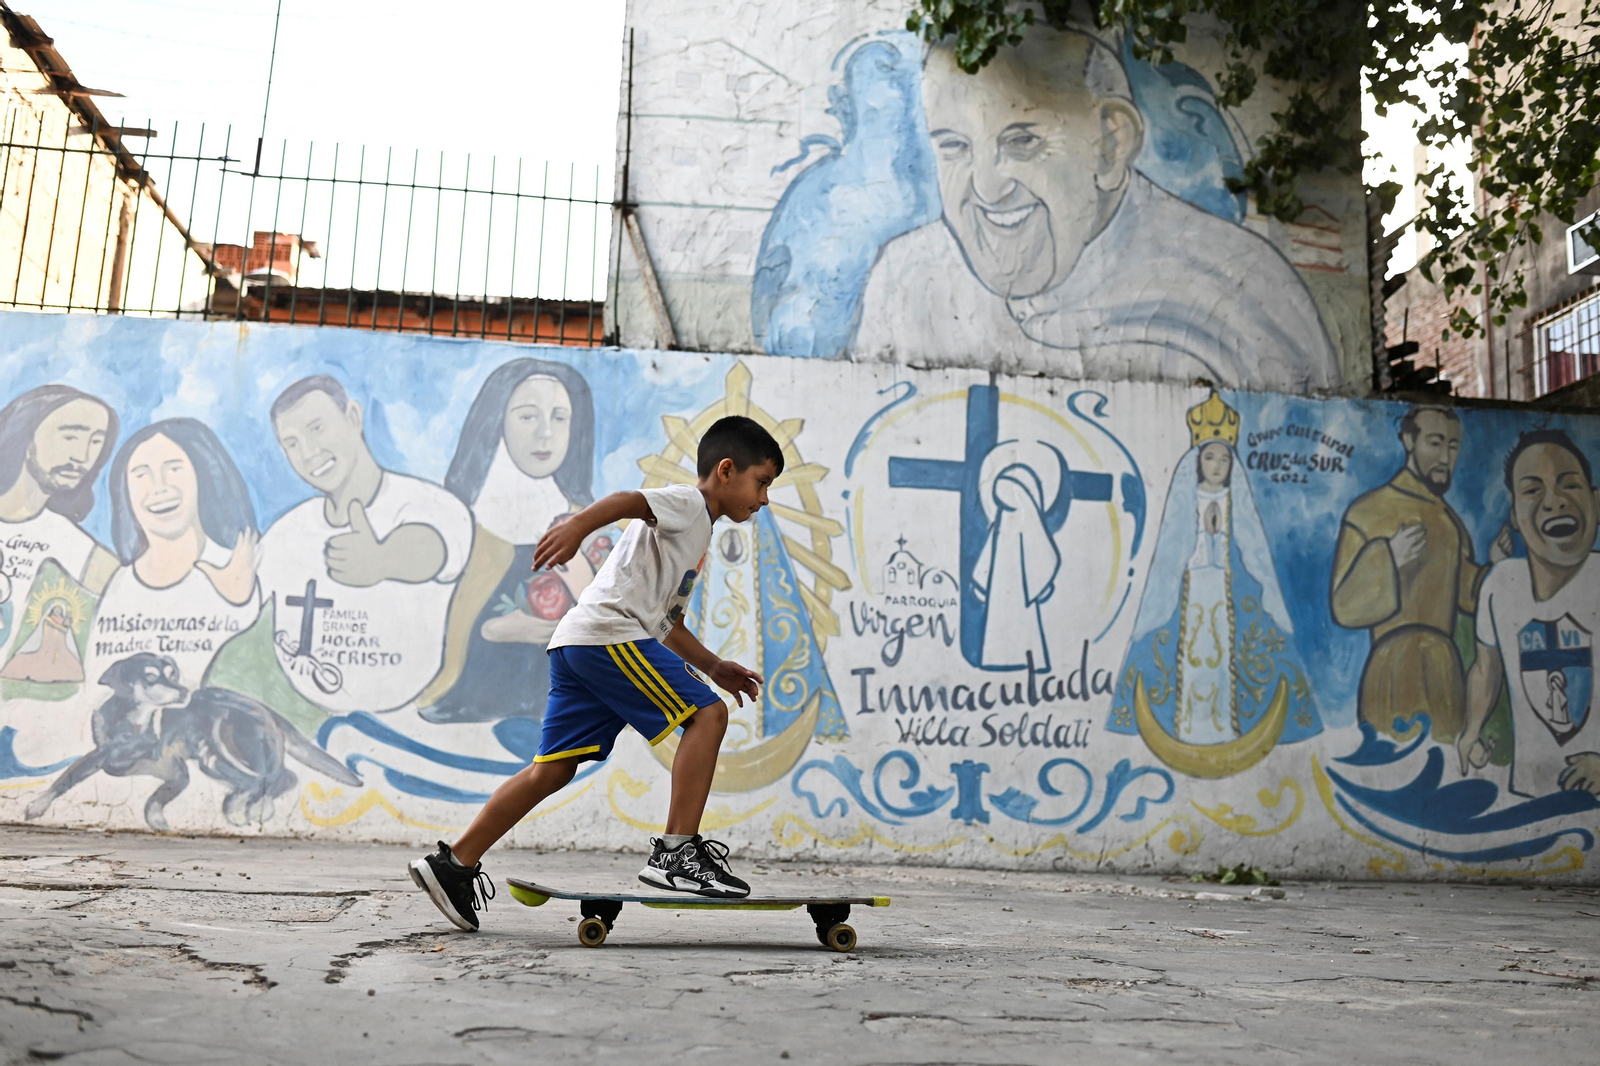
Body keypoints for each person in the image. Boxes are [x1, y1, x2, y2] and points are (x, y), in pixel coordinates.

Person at [409, 416, 781, 930]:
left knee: (553, 768)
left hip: (580, 644)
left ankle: (453, 864)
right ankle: (675, 854)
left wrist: (714, 665)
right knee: (708, 716)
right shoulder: (691, 504)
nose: (763, 499)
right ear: (725, 470)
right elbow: (631, 500)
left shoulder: (695, 532)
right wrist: (579, 526)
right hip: (608, 639)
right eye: (761, 483)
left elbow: (664, 624)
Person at [852, 26, 1338, 393]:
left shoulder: (1243, 290)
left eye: (1022, 141)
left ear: (1110, 142)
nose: (987, 188)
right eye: (954, 147)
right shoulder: (906, 281)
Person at [1110, 391, 1318, 757]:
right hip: (1191, 593)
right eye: (1210, 456)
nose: (1218, 465)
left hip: (1228, 596)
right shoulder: (1185, 499)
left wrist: (1221, 534)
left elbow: (1250, 552)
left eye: (1224, 457)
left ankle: (1225, 727)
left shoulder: (1237, 500)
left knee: (1230, 662)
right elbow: (1174, 553)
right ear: (1198, 462)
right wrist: (1203, 534)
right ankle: (1190, 730)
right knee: (1189, 658)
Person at [256, 376, 474, 713]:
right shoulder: (284, 534)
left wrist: (384, 559)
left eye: (317, 428)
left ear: (354, 417)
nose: (309, 453)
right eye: (292, 443)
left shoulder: (430, 505)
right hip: (307, 720)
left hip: (412, 721)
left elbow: (433, 547)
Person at [417, 358, 606, 723]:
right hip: (466, 709)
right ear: (497, 422)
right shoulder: (460, 522)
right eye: (527, 416)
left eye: (559, 418)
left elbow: (608, 621)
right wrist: (492, 630)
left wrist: (548, 628)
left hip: (557, 707)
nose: (545, 434)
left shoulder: (589, 522)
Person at [1330, 406, 1511, 741]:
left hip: (1443, 670)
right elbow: (1344, 606)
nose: (1445, 456)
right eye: (1435, 443)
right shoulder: (1368, 511)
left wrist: (1494, 570)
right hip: (1392, 667)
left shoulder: (1449, 522)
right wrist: (1388, 556)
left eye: (1453, 446)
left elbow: (1466, 595)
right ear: (1409, 441)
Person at [1459, 430, 1600, 798]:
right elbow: (1486, 667)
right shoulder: (1500, 583)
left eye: (1570, 485)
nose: (1554, 501)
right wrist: (1471, 731)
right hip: (1531, 797)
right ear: (1516, 518)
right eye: (1533, 490)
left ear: (1596, 502)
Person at [84, 419, 260, 690]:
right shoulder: (120, 585)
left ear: (204, 475)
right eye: (141, 475)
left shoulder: (240, 566)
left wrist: (239, 601)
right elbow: (97, 684)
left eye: (174, 469)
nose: (159, 487)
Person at [0, 385, 120, 600]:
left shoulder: (77, 548)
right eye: (70, 437)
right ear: (26, 439)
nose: (82, 457)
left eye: (95, 442)